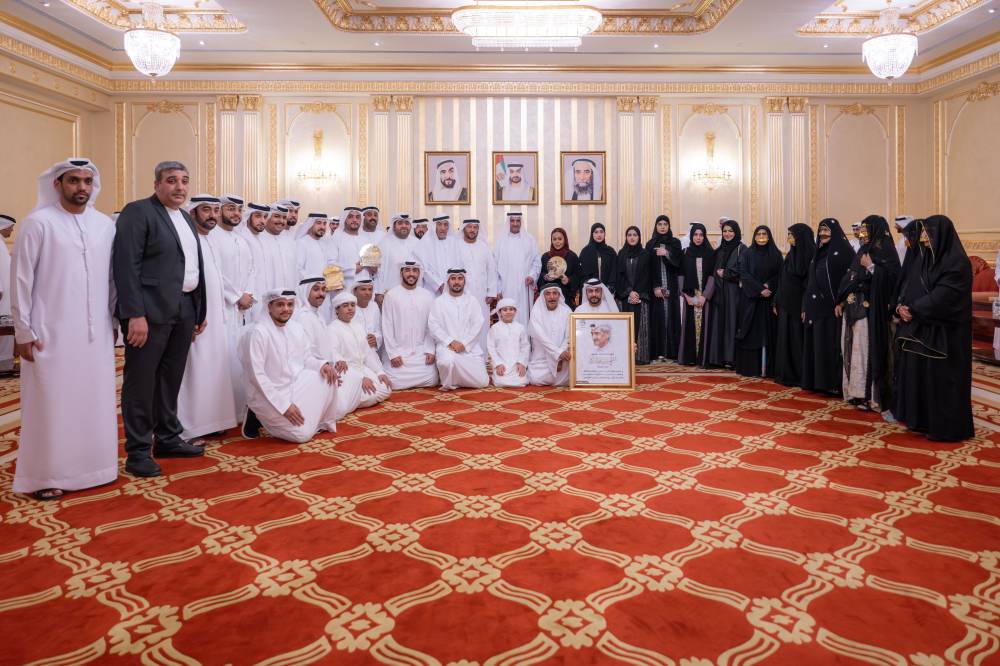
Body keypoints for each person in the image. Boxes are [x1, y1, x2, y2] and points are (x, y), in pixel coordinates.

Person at [11, 158, 117, 500]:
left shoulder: (104, 226)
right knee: (51, 404)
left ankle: (97, 469)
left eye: (87, 181)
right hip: (49, 332)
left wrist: (113, 320)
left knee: (94, 400)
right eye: (73, 180)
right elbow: (21, 280)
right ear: (57, 184)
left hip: (96, 333)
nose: (81, 187)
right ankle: (47, 475)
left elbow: (112, 281)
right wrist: (23, 330)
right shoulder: (38, 223)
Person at [113, 161, 207, 477]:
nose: (180, 187)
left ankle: (167, 438)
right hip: (149, 312)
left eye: (184, 180)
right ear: (156, 184)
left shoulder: (185, 217)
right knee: (141, 382)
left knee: (170, 378)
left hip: (184, 308)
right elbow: (126, 266)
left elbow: (192, 266)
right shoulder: (138, 212)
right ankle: (138, 451)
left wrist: (199, 311)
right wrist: (134, 314)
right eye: (171, 180)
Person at [894, 216, 973, 442]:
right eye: (922, 233)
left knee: (941, 381)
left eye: (927, 233)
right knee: (921, 378)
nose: (923, 238)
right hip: (922, 328)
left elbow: (944, 296)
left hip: (946, 335)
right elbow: (910, 286)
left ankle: (945, 428)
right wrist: (901, 306)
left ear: (941, 235)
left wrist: (914, 308)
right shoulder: (926, 258)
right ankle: (921, 421)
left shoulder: (957, 263)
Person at [239, 289, 339, 443]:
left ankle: (313, 421)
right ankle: (255, 414)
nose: (286, 309)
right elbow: (257, 377)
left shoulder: (296, 328)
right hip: (266, 395)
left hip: (294, 385)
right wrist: (284, 406)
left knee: (328, 375)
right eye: (280, 305)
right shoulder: (258, 333)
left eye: (290, 304)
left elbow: (306, 358)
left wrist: (322, 365)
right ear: (269, 307)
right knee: (302, 435)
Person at [177, 195, 237, 440]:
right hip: (197, 319)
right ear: (192, 213)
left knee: (214, 366)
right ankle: (188, 427)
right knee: (193, 370)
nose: (212, 215)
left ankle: (212, 420)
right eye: (206, 210)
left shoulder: (210, 240)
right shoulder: (188, 239)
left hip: (216, 317)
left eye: (215, 210)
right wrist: (192, 316)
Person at [801, 218, 855, 394]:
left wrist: (842, 301)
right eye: (821, 230)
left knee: (829, 345)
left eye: (826, 230)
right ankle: (817, 382)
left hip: (832, 308)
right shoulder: (818, 252)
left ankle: (832, 384)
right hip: (815, 307)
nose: (823, 234)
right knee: (816, 345)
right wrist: (805, 307)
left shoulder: (845, 252)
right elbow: (810, 282)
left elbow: (850, 280)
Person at [327, 291, 391, 418]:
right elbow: (334, 356)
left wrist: (380, 372)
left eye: (352, 305)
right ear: (337, 310)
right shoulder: (332, 328)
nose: (350, 308)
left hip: (362, 368)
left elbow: (368, 353)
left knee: (386, 388)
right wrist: (360, 379)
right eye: (345, 306)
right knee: (372, 394)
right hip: (347, 373)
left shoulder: (358, 326)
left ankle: (356, 399)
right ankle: (351, 398)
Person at [733, 225, 783, 378]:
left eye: (764, 234)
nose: (761, 237)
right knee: (751, 333)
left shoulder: (776, 254)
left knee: (768, 333)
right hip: (751, 300)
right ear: (754, 236)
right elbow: (744, 274)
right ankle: (752, 368)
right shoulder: (747, 253)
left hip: (769, 301)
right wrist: (760, 289)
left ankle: (768, 369)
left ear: (769, 236)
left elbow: (780, 274)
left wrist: (769, 285)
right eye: (758, 234)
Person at [381, 259, 438, 390]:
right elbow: (387, 326)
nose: (411, 274)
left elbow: (431, 326)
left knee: (432, 378)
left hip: (420, 353)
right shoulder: (391, 295)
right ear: (401, 273)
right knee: (392, 381)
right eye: (407, 270)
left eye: (415, 271)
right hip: (399, 353)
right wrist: (393, 354)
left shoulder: (427, 296)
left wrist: (430, 350)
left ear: (419, 274)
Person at [428, 268, 489, 390]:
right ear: (448, 281)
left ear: (464, 281)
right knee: (446, 362)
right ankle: (453, 377)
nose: (456, 282)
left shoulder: (472, 301)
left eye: (460, 278)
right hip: (447, 347)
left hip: (469, 348)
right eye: (453, 278)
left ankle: (454, 377)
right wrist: (450, 341)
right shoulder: (439, 302)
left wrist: (464, 344)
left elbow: (478, 324)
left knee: (482, 382)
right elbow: (433, 325)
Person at [773, 223, 816, 386]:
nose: (789, 238)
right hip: (785, 304)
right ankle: (786, 374)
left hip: (799, 306)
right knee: (785, 339)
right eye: (788, 235)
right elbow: (782, 279)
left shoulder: (811, 255)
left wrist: (805, 306)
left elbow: (810, 284)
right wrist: (776, 300)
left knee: (798, 340)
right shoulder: (791, 255)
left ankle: (799, 375)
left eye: (792, 235)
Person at [702, 219, 745, 369]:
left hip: (734, 294)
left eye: (730, 231)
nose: (727, 234)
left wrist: (726, 273)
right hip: (719, 293)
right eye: (725, 231)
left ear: (736, 232)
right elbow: (713, 271)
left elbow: (744, 271)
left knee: (732, 323)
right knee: (719, 324)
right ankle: (718, 358)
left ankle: (731, 358)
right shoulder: (720, 251)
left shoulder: (742, 249)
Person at [676, 223, 715, 365]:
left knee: (706, 326)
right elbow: (680, 275)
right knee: (689, 326)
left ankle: (703, 358)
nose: (698, 238)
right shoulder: (685, 252)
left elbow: (713, 276)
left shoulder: (711, 253)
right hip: (690, 295)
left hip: (705, 297)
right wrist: (686, 296)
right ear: (692, 236)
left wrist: (705, 296)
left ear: (704, 237)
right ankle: (689, 358)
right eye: (695, 235)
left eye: (701, 235)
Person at [455, 219, 498, 347]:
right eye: (469, 227)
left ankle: (482, 354)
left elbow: (491, 270)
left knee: (481, 324)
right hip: (462, 294)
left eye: (475, 227)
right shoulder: (456, 246)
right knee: (464, 323)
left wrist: (491, 292)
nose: (472, 230)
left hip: (482, 295)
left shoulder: (484, 247)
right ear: (464, 229)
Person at [494, 211, 540, 327]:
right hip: (506, 287)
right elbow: (494, 267)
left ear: (521, 222)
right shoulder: (501, 241)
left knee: (524, 315)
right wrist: (498, 289)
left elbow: (536, 261)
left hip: (524, 286)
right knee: (507, 312)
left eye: (518, 221)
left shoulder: (529, 240)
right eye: (512, 221)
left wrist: (532, 276)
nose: (515, 223)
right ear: (508, 222)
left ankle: (524, 338)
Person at [646, 215, 682, 362]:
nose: (662, 227)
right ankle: (659, 352)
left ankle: (672, 352)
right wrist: (655, 287)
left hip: (672, 286)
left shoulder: (675, 243)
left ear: (669, 226)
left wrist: (667, 253)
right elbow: (647, 268)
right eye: (659, 224)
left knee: (671, 318)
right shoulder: (650, 244)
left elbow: (679, 263)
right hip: (656, 289)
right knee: (658, 319)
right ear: (656, 226)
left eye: (665, 224)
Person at [615, 226, 651, 365]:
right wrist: (629, 292)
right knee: (625, 327)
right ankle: (624, 355)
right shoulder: (621, 254)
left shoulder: (645, 254)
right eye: (629, 235)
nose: (632, 237)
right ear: (626, 237)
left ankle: (641, 356)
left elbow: (647, 276)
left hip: (641, 297)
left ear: (639, 237)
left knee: (640, 327)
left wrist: (637, 293)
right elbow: (619, 276)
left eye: (635, 235)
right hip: (625, 297)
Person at [527, 282, 572, 386]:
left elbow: (569, 336)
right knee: (535, 379)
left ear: (559, 295)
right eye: (548, 294)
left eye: (554, 293)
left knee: (569, 376)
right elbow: (542, 339)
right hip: (542, 358)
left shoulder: (567, 311)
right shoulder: (536, 312)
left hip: (563, 357)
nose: (552, 297)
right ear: (543, 297)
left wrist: (560, 356)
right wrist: (557, 354)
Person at [235, 201, 270, 322]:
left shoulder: (264, 239)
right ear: (248, 217)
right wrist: (247, 294)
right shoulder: (241, 237)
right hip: (248, 297)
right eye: (258, 216)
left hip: (264, 295)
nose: (262, 221)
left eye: (265, 217)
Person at [488, 298, 530, 388]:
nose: (508, 312)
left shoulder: (520, 327)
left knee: (522, 381)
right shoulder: (494, 328)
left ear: (515, 311)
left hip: (516, 363)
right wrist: (498, 364)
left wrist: (521, 363)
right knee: (500, 382)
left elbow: (525, 346)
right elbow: (491, 347)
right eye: (505, 310)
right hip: (502, 363)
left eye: (511, 309)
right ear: (499, 312)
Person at [375, 214, 416, 304]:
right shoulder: (384, 243)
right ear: (393, 226)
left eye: (407, 223)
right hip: (390, 292)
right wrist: (379, 291)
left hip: (414, 293)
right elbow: (378, 271)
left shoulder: (417, 243)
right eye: (400, 223)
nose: (404, 226)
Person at [538, 227, 580, 308]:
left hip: (566, 296)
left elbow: (577, 275)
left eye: (560, 239)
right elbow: (540, 274)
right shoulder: (545, 257)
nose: (557, 241)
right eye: (554, 239)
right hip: (549, 297)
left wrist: (568, 280)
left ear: (565, 240)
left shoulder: (572, 256)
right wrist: (545, 277)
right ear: (551, 241)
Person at [415, 214, 454, 296]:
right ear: (434, 226)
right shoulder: (424, 243)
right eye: (439, 224)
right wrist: (439, 285)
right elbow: (423, 269)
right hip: (431, 290)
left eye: (445, 225)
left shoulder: (453, 243)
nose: (443, 228)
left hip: (453, 288)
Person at [261, 203, 297, 291]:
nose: (281, 221)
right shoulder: (259, 240)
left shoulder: (290, 241)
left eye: (284, 217)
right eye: (277, 216)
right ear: (267, 218)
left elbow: (295, 272)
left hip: (288, 294)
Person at [327, 206, 366, 285]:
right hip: (344, 286)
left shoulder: (365, 239)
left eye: (357, 217)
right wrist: (353, 268)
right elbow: (330, 263)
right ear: (344, 219)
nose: (354, 220)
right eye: (350, 217)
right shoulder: (336, 238)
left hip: (365, 287)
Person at [579, 222, 617, 293]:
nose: (599, 235)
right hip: (590, 290)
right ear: (592, 234)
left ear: (604, 234)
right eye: (596, 232)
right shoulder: (585, 251)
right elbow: (582, 273)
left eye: (601, 232)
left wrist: (611, 286)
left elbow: (614, 271)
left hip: (607, 290)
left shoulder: (610, 251)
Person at [0, 213, 16, 373]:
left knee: (6, 334)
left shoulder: (2, 244)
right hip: (1, 297)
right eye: (10, 228)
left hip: (5, 298)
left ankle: (6, 365)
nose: (11, 231)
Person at [351, 271, 383, 352]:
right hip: (353, 352)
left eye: (370, 289)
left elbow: (379, 330)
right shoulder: (348, 307)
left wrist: (375, 338)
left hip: (371, 352)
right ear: (354, 291)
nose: (367, 293)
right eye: (363, 289)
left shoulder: (374, 306)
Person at [295, 212, 330, 280]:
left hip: (325, 284)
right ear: (310, 224)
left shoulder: (325, 243)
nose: (322, 227)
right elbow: (297, 269)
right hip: (309, 284)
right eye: (318, 223)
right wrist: (313, 281)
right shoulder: (301, 243)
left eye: (324, 223)